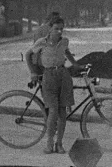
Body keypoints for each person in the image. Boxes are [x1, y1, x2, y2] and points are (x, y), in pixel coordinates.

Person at [25, 14, 78, 154]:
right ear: (50, 29)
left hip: (63, 76)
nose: (59, 32)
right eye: (56, 29)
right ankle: (49, 143)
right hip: (48, 76)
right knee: (53, 111)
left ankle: (59, 144)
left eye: (61, 29)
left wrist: (75, 64)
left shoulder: (65, 41)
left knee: (62, 113)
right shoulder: (42, 42)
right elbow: (28, 55)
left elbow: (67, 52)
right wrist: (33, 72)